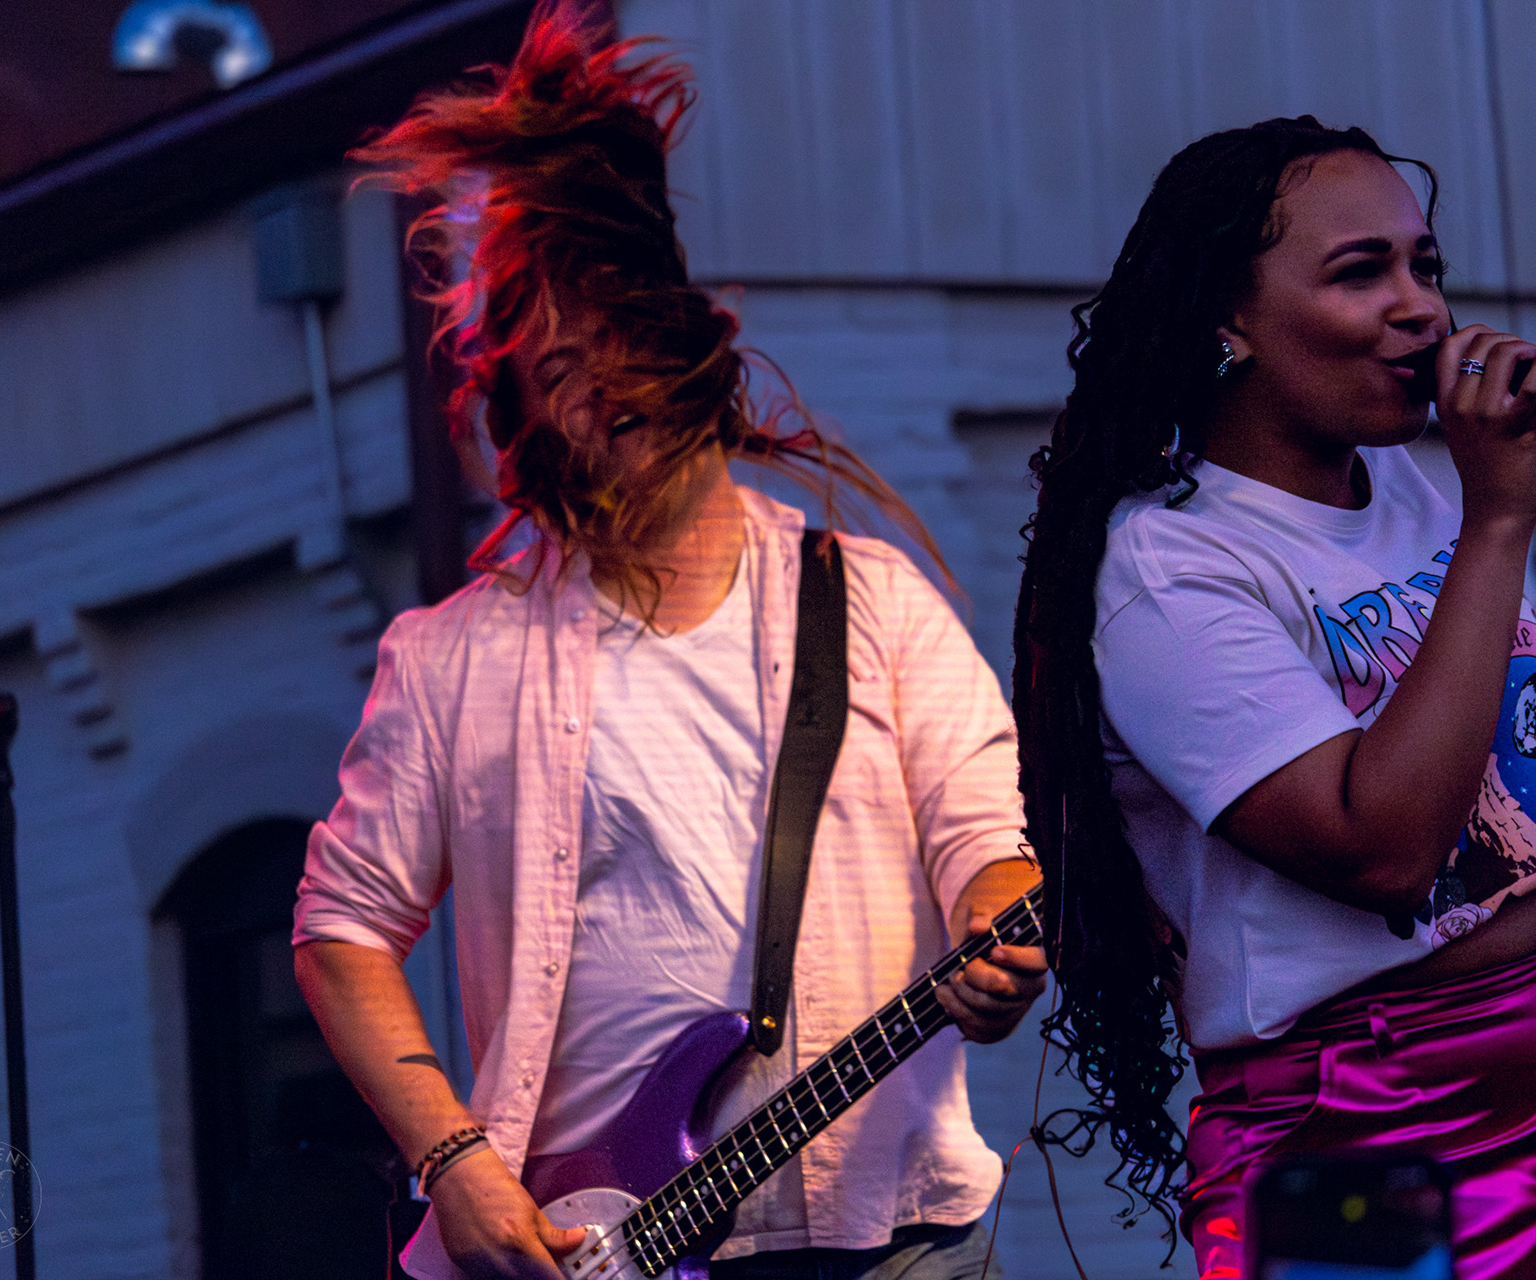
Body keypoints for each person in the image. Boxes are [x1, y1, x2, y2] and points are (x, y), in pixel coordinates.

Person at [290, 9, 1045, 1278]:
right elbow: (339, 926)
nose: (590, 394)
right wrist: (455, 1161)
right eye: (552, 370)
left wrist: (1002, 930)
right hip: (594, 1241)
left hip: (889, 1230)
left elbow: (989, 839)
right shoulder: (452, 659)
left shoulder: (874, 603)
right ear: (518, 408)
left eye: (609, 344)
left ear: (682, 339)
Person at [1013, 115, 1536, 1278]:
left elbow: (1450, 695)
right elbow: (1378, 838)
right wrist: (1498, 517)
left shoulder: (1402, 482)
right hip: (1366, 1123)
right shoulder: (1171, 570)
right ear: (1228, 320)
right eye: (1360, 271)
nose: (1421, 307)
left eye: (1423, 265)